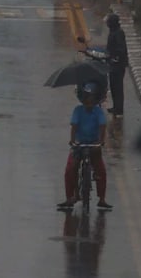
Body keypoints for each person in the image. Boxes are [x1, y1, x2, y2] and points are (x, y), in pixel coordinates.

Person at [58, 81, 111, 211]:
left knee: (101, 171)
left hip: (93, 144)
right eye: (87, 98)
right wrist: (73, 141)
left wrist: (100, 141)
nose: (89, 101)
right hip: (79, 144)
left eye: (91, 98)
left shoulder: (98, 111)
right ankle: (70, 196)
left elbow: (102, 126)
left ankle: (102, 199)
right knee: (70, 169)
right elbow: (74, 126)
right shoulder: (78, 110)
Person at [105, 13, 128, 116]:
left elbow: (121, 49)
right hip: (112, 63)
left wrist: (115, 57)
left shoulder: (118, 33)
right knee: (113, 86)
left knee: (118, 87)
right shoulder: (113, 32)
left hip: (118, 65)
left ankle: (119, 109)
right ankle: (115, 106)